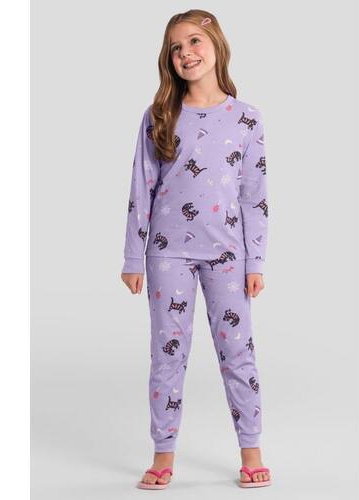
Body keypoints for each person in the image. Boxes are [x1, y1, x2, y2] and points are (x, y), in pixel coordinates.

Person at [120, 9, 271, 489]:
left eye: (193, 41)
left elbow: (254, 196)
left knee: (238, 352)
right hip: (167, 254)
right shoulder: (160, 116)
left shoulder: (246, 118)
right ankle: (163, 454)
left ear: (216, 45)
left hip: (228, 256)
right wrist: (133, 255)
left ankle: (251, 451)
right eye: (175, 47)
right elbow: (142, 188)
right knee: (167, 354)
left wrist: (255, 260)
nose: (185, 53)